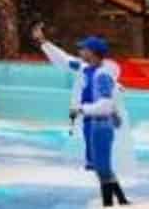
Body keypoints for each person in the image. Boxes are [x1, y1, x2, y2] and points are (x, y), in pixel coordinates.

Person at [31, 22, 130, 206]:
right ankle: (121, 201)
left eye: (83, 49)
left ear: (92, 52)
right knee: (101, 166)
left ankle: (110, 203)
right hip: (92, 123)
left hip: (100, 123)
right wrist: (43, 42)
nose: (80, 51)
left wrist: (82, 109)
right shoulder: (86, 69)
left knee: (102, 167)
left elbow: (106, 104)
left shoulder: (102, 75)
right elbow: (64, 60)